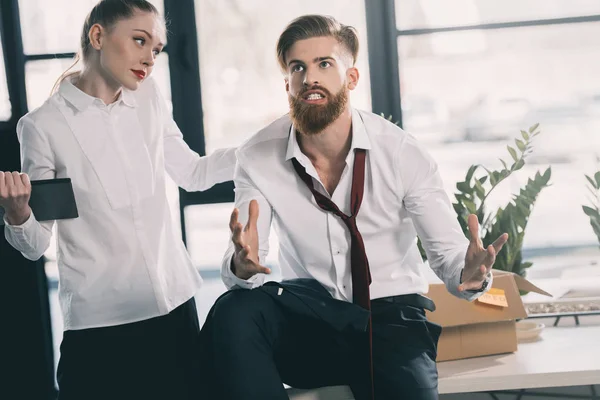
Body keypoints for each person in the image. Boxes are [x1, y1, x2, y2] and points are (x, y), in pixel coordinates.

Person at [202, 14, 508, 400]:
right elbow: (251, 256)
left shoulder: (401, 152)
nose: (310, 77)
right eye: (299, 67)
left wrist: (471, 274)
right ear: (288, 85)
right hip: (310, 315)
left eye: (324, 64)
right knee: (234, 311)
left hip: (390, 317)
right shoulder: (257, 155)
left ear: (351, 79)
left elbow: (448, 259)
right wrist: (241, 266)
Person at [0, 1, 235, 399]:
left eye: (157, 49)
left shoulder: (148, 100)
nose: (150, 58)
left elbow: (193, 174)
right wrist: (18, 212)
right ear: (98, 36)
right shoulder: (43, 126)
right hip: (100, 327)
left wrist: (270, 146)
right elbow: (36, 245)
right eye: (140, 40)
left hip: (173, 307)